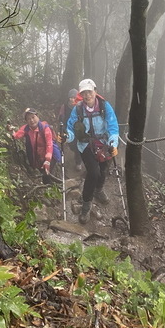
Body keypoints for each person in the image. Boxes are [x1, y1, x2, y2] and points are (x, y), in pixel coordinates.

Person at [65, 78, 119, 224]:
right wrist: (66, 136)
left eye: (89, 91)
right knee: (93, 173)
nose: (87, 95)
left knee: (103, 170)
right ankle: (86, 206)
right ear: (81, 95)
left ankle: (99, 190)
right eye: (84, 93)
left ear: (95, 91)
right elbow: (70, 127)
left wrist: (113, 143)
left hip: (104, 143)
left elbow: (113, 125)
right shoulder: (78, 109)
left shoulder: (104, 106)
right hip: (86, 145)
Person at [12, 108, 60, 184]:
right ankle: (52, 186)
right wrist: (12, 133)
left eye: (33, 117)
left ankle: (50, 187)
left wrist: (47, 160)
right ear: (26, 121)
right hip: (38, 156)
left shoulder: (45, 128)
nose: (31, 120)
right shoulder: (27, 129)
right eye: (28, 119)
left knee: (46, 174)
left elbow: (49, 144)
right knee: (44, 173)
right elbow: (18, 134)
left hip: (51, 155)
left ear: (37, 117)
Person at [58, 88, 83, 171]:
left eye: (74, 98)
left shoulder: (80, 106)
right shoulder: (64, 106)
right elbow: (61, 117)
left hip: (78, 129)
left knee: (78, 146)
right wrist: (61, 128)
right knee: (72, 146)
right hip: (68, 128)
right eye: (71, 97)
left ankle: (78, 163)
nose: (72, 99)